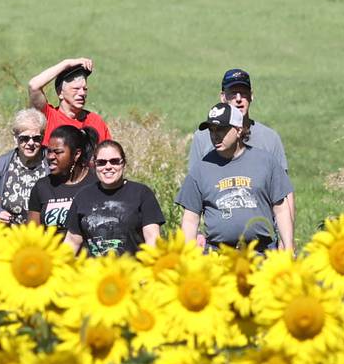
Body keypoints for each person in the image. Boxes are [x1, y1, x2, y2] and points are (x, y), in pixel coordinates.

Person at [176, 103, 294, 253]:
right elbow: (190, 219)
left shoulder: (266, 162)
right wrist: (187, 257)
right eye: (211, 130)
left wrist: (288, 247)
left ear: (239, 130)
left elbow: (281, 209)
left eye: (221, 129)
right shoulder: (200, 168)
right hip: (218, 256)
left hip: (262, 254)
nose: (215, 135)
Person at [188, 68, 294, 221]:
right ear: (223, 97)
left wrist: (286, 241)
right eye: (232, 93)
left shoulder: (269, 138)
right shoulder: (202, 138)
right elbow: (194, 192)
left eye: (244, 93)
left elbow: (284, 192)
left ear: (251, 96)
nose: (239, 99)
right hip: (216, 237)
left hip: (264, 235)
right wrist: (197, 234)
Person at [64, 140, 164, 257]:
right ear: (94, 164)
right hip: (93, 273)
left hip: (132, 272)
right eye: (101, 162)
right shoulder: (83, 196)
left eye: (114, 161)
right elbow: (72, 241)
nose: (108, 167)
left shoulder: (142, 193)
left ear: (123, 163)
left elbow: (153, 239)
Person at [0, 109, 49, 225]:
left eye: (36, 138)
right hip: (10, 237)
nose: (31, 143)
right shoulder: (2, 165)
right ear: (15, 138)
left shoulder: (51, 162)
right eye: (24, 138)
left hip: (43, 236)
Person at [28, 126, 96, 234]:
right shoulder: (42, 186)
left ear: (76, 154)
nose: (50, 157)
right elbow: (33, 234)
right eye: (49, 151)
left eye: (58, 152)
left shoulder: (95, 184)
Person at [28, 57, 111, 146]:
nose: (82, 93)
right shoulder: (48, 117)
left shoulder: (96, 121)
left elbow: (109, 154)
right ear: (60, 93)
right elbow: (34, 86)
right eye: (76, 89)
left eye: (85, 89)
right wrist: (66, 63)